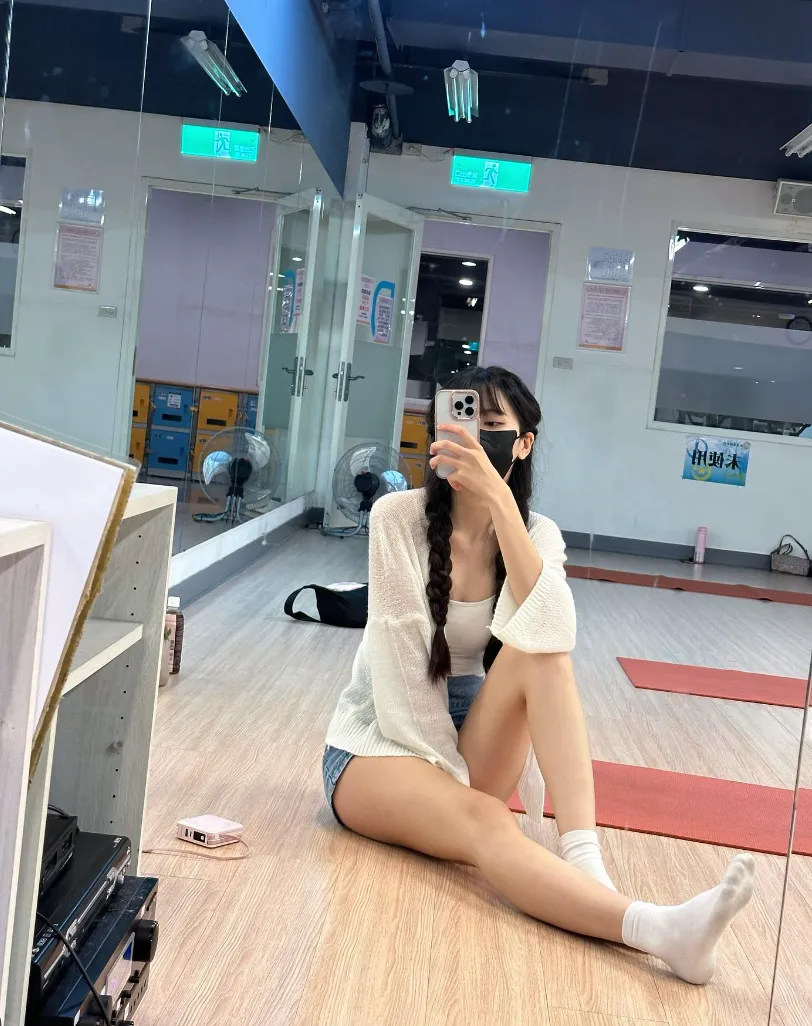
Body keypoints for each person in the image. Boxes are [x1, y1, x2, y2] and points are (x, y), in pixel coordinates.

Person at [323, 365, 754, 985]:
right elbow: (399, 684)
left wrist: (500, 504)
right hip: (379, 742)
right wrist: (459, 794)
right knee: (487, 821)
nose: (474, 436)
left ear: (522, 444)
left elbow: (554, 630)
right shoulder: (397, 517)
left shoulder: (538, 534)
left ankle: (585, 857)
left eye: (492, 424)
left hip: (470, 732)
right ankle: (657, 930)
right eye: (462, 419)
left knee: (541, 649)